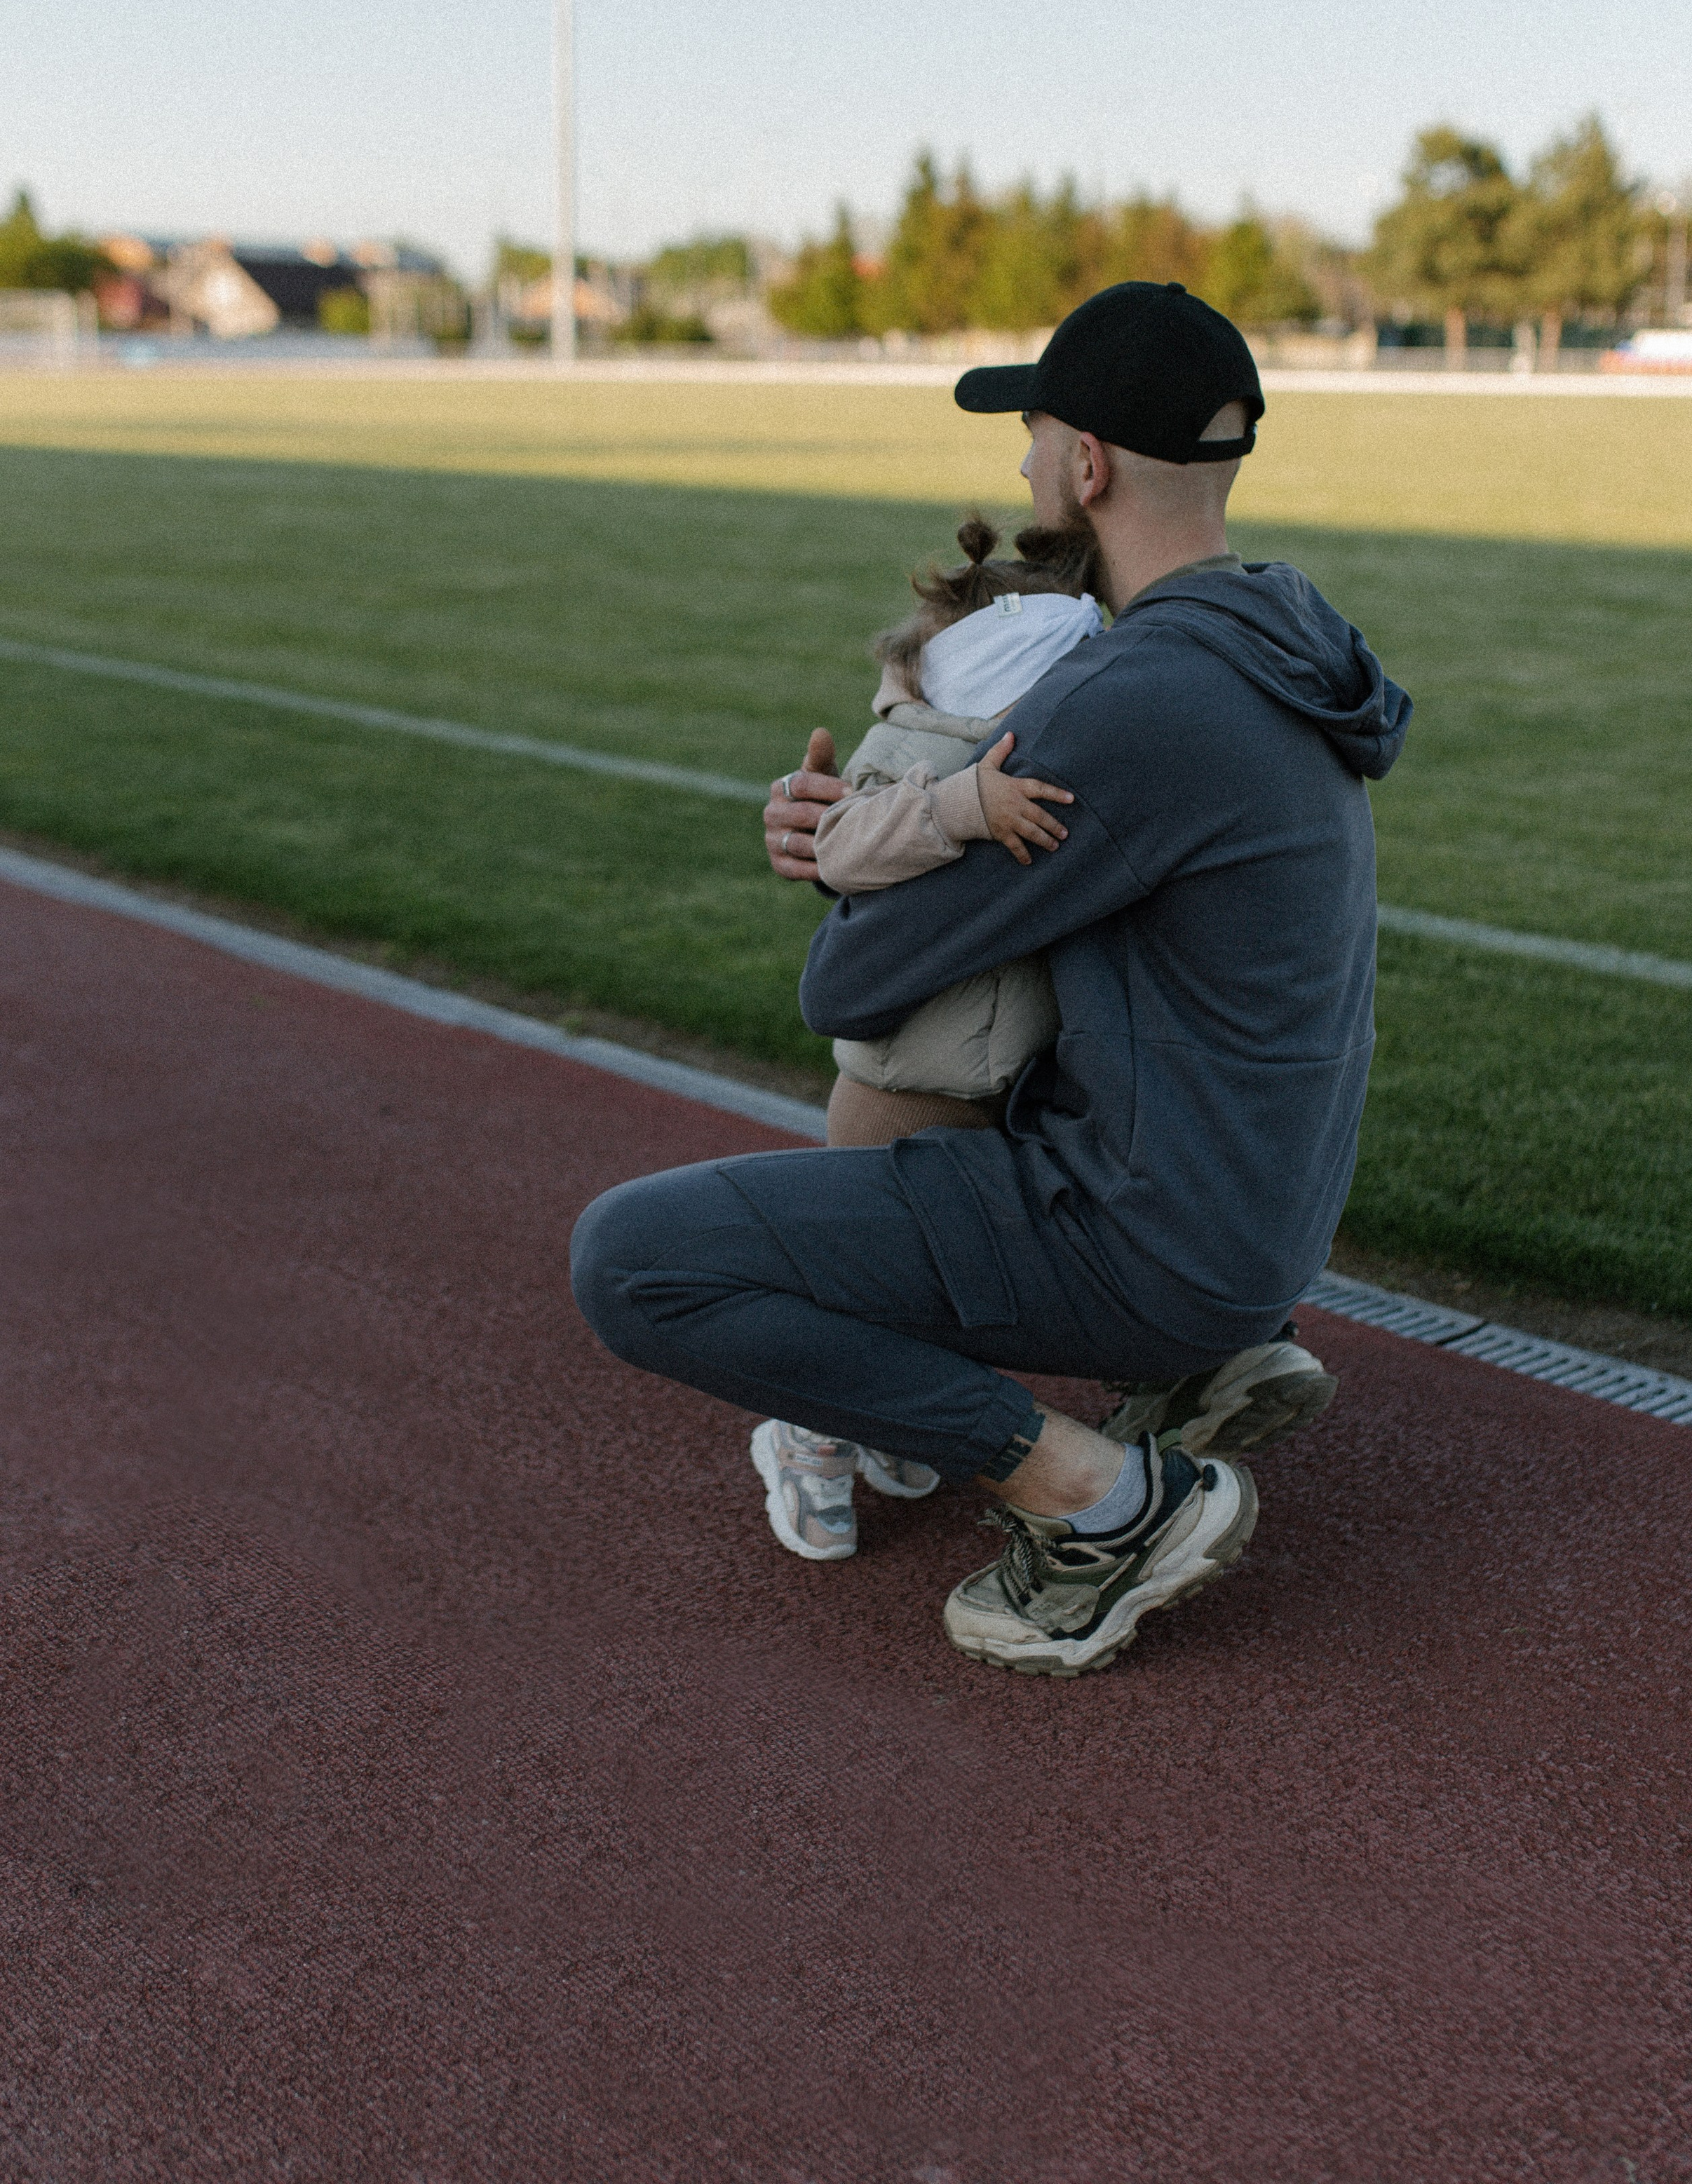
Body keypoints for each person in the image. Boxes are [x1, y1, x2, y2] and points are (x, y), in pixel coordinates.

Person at [571, 280, 1411, 1677]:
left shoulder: (1129, 701)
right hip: (1251, 1219)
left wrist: (871, 839)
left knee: (636, 1262)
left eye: (1033, 437)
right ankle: (1187, 1378)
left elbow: (848, 990)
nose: (1021, 467)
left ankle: (1105, 1503)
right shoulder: (1281, 639)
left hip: (1151, 1237)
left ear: (1085, 468)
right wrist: (870, 835)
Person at [752, 513, 1104, 1563]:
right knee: (857, 1266)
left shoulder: (1027, 737)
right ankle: (808, 1431)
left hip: (983, 1081)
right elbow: (844, 844)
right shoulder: (919, 749)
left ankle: (885, 1415)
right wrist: (959, 807)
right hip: (898, 1082)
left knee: (934, 1271)